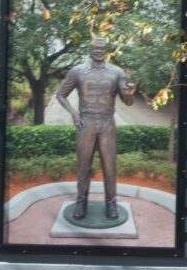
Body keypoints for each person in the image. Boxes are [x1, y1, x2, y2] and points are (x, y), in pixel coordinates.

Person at [56, 39, 138, 225]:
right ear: (90, 49)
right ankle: (81, 202)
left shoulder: (117, 72)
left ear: (106, 51)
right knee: (83, 165)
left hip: (107, 123)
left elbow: (128, 102)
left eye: (102, 48)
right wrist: (73, 113)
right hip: (86, 123)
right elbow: (61, 94)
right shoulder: (77, 71)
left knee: (109, 166)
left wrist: (130, 94)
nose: (99, 51)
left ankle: (111, 203)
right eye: (95, 48)